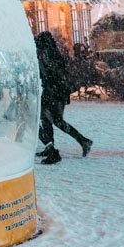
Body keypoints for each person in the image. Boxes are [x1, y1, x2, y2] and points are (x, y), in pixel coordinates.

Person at [36, 31, 92, 165]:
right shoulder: (52, 53)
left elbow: (51, 74)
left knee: (51, 119)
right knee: (49, 119)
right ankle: (53, 147)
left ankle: (79, 142)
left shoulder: (48, 55)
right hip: (56, 91)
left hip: (54, 92)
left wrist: (47, 81)